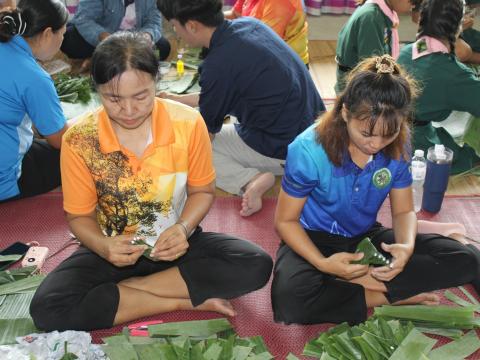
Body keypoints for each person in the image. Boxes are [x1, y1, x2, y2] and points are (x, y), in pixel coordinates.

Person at [29, 31, 273, 331]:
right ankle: (178, 299)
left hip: (175, 244)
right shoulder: (80, 139)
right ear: (98, 91)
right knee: (48, 308)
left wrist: (183, 228)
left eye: (141, 96)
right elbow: (79, 216)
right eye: (113, 99)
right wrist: (104, 247)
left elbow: (202, 191)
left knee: (255, 264)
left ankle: (130, 289)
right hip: (111, 248)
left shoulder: (187, 123)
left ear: (156, 84)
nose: (129, 111)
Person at [271, 55, 480, 325]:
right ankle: (386, 293)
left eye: (388, 134)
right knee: (290, 300)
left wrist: (404, 247)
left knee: (464, 257)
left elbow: (404, 210)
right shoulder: (308, 149)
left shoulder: (398, 144)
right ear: (345, 111)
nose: (377, 144)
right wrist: (323, 264)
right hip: (312, 237)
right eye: (366, 134)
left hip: (365, 236)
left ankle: (367, 285)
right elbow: (285, 221)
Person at [157, 0, 325, 217]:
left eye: (174, 25)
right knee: (222, 119)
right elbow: (220, 93)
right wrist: (173, 98)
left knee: (192, 149)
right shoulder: (249, 25)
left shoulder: (217, 65)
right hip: (313, 129)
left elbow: (204, 134)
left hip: (288, 149)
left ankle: (250, 179)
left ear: (191, 26)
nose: (175, 32)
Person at [398, 0, 480, 174]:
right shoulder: (452, 74)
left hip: (394, 131)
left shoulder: (409, 50)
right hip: (416, 145)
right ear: (458, 27)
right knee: (469, 157)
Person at [0, 0, 68, 202]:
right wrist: (92, 119)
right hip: (5, 178)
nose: (62, 40)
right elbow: (60, 140)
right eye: (62, 34)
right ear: (48, 34)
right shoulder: (34, 77)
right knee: (75, 157)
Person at [335, 0, 420, 93]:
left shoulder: (380, 12)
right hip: (354, 87)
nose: (413, 5)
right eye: (413, 1)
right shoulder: (371, 17)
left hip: (361, 77)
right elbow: (373, 67)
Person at [60, 0, 171, 64]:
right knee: (69, 40)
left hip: (133, 39)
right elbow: (84, 19)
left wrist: (147, 36)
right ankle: (115, 58)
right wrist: (105, 37)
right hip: (104, 37)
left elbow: (154, 22)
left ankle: (101, 59)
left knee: (163, 47)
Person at [225, 0, 309, 65]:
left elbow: (265, 43)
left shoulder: (279, 3)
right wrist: (213, 18)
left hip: (284, 64)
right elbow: (235, 15)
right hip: (259, 50)